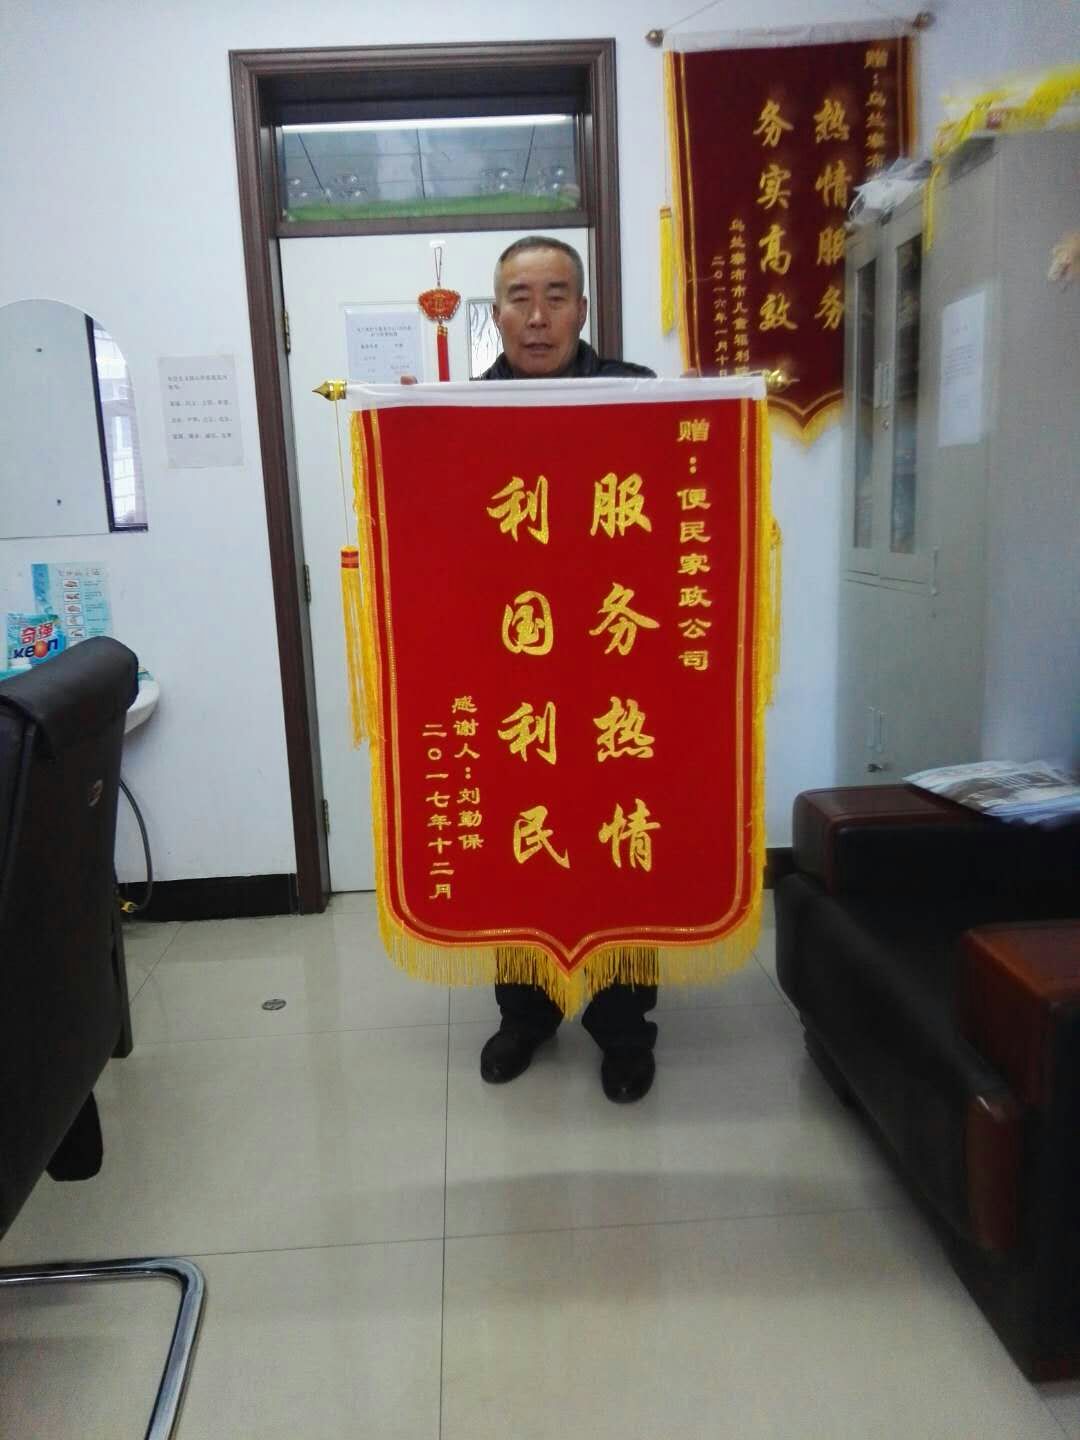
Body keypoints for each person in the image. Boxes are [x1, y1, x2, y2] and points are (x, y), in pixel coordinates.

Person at [479, 236, 659, 1104]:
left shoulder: (634, 394)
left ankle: (623, 1029)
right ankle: (527, 1014)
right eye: (519, 297)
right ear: (496, 314)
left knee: (619, 843)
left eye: (556, 295)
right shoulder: (461, 413)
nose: (538, 316)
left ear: (583, 309)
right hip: (514, 672)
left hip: (613, 663)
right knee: (526, 845)